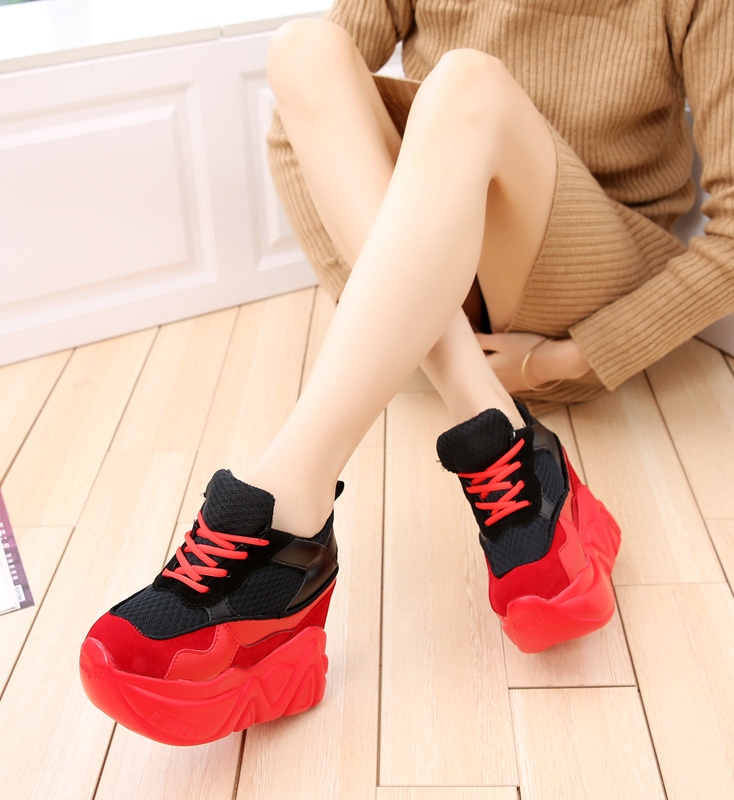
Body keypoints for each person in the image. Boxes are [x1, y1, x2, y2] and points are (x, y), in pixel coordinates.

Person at [79, 0, 734, 747]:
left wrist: (569, 355)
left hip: (576, 288)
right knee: (304, 49)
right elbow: (302, 124)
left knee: (465, 83)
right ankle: (496, 429)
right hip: (440, 279)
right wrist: (401, 317)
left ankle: (287, 509)